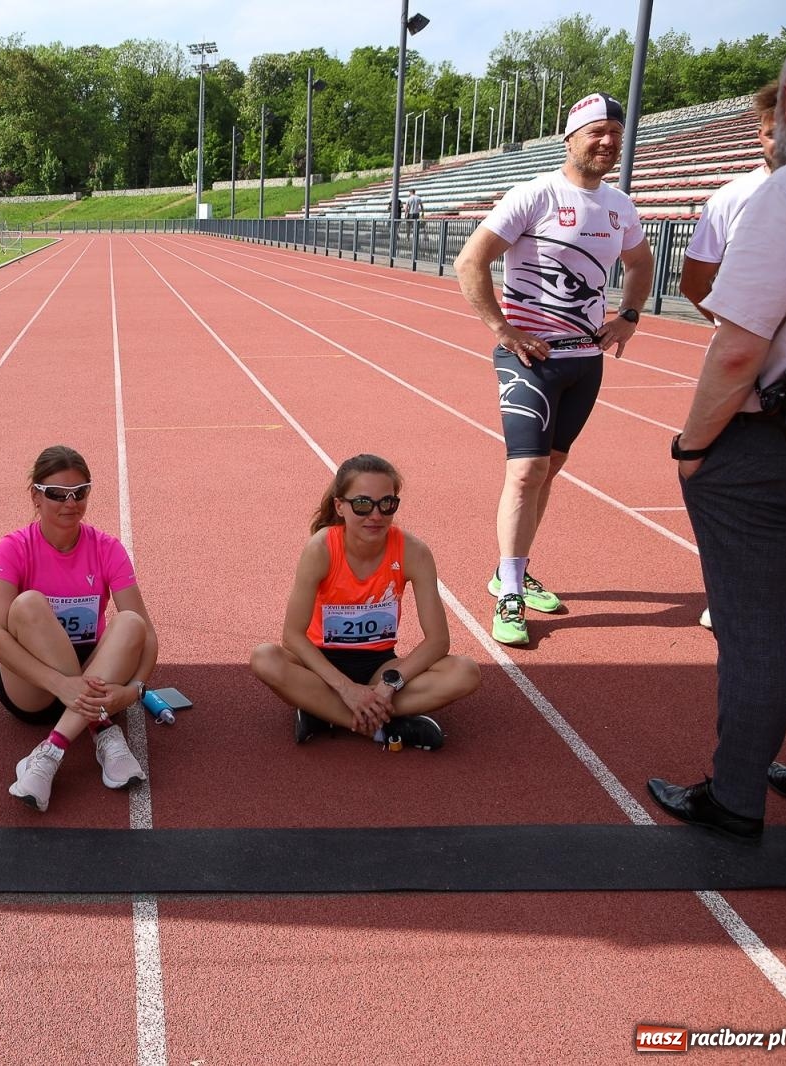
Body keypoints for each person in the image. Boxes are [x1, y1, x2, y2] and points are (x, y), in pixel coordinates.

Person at [647, 44, 786, 843]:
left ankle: (736, 795)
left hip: (771, 440)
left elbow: (738, 349)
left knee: (754, 629)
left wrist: (691, 449)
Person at [453, 91, 654, 647]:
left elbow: (640, 264)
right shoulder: (534, 195)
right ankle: (510, 590)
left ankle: (508, 570)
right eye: (597, 131)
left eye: (615, 132)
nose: (608, 141)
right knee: (525, 471)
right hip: (530, 360)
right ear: (571, 136)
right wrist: (502, 329)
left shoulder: (620, 205)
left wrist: (629, 317)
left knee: (549, 471)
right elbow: (470, 261)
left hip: (586, 363)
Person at [251, 455, 480, 749]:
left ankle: (324, 712)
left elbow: (437, 641)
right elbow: (292, 636)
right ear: (340, 507)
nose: (376, 515)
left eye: (387, 504)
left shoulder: (414, 552)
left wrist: (388, 686)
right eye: (362, 504)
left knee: (464, 672)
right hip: (319, 666)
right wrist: (345, 688)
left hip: (380, 665)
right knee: (265, 658)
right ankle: (379, 728)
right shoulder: (321, 549)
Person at [0, 446, 155, 813]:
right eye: (57, 494)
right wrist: (59, 683)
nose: (70, 503)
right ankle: (102, 729)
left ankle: (51, 752)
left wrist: (133, 691)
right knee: (28, 603)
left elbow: (148, 638)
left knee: (131, 622)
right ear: (36, 494)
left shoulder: (107, 548)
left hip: (96, 675)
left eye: (80, 492)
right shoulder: (14, 547)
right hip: (34, 687)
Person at [678, 82, 780, 631]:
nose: (777, 140)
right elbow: (696, 280)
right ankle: (732, 588)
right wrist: (733, 324)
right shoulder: (734, 198)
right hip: (757, 381)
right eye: (768, 129)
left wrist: (688, 446)